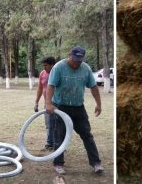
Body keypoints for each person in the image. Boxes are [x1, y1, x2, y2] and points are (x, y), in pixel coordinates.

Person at [46, 46, 103, 175]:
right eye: (75, 59)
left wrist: (98, 104)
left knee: (87, 135)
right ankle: (58, 164)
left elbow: (93, 87)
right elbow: (51, 86)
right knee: (59, 136)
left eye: (80, 60)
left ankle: (96, 163)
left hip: (78, 107)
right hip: (60, 107)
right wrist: (48, 103)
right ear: (69, 55)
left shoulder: (86, 68)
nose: (77, 62)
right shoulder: (59, 67)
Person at [34, 56, 57, 150]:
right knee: (48, 124)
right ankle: (49, 144)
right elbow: (40, 88)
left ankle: (58, 144)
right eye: (43, 65)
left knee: (58, 125)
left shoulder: (57, 73)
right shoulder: (42, 74)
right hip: (47, 104)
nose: (44, 67)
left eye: (46, 65)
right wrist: (36, 102)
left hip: (57, 103)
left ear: (52, 65)